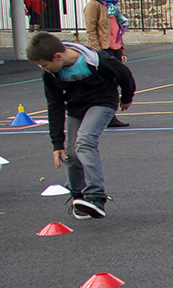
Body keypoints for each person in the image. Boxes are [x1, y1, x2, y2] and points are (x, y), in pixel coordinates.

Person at [26, 30, 135, 219]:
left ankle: (96, 197)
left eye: (44, 64)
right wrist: (57, 143)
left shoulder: (97, 60)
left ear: (58, 56)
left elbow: (124, 75)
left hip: (102, 102)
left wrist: (126, 97)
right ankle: (79, 198)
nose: (43, 69)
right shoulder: (50, 76)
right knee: (71, 154)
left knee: (85, 141)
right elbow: (55, 106)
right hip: (76, 108)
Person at [85, 0, 134, 126]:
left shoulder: (112, 6)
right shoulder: (94, 5)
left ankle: (110, 116)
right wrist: (98, 52)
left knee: (114, 83)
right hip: (103, 50)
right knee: (104, 84)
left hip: (115, 48)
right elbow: (91, 30)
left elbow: (118, 30)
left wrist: (122, 50)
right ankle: (104, 117)